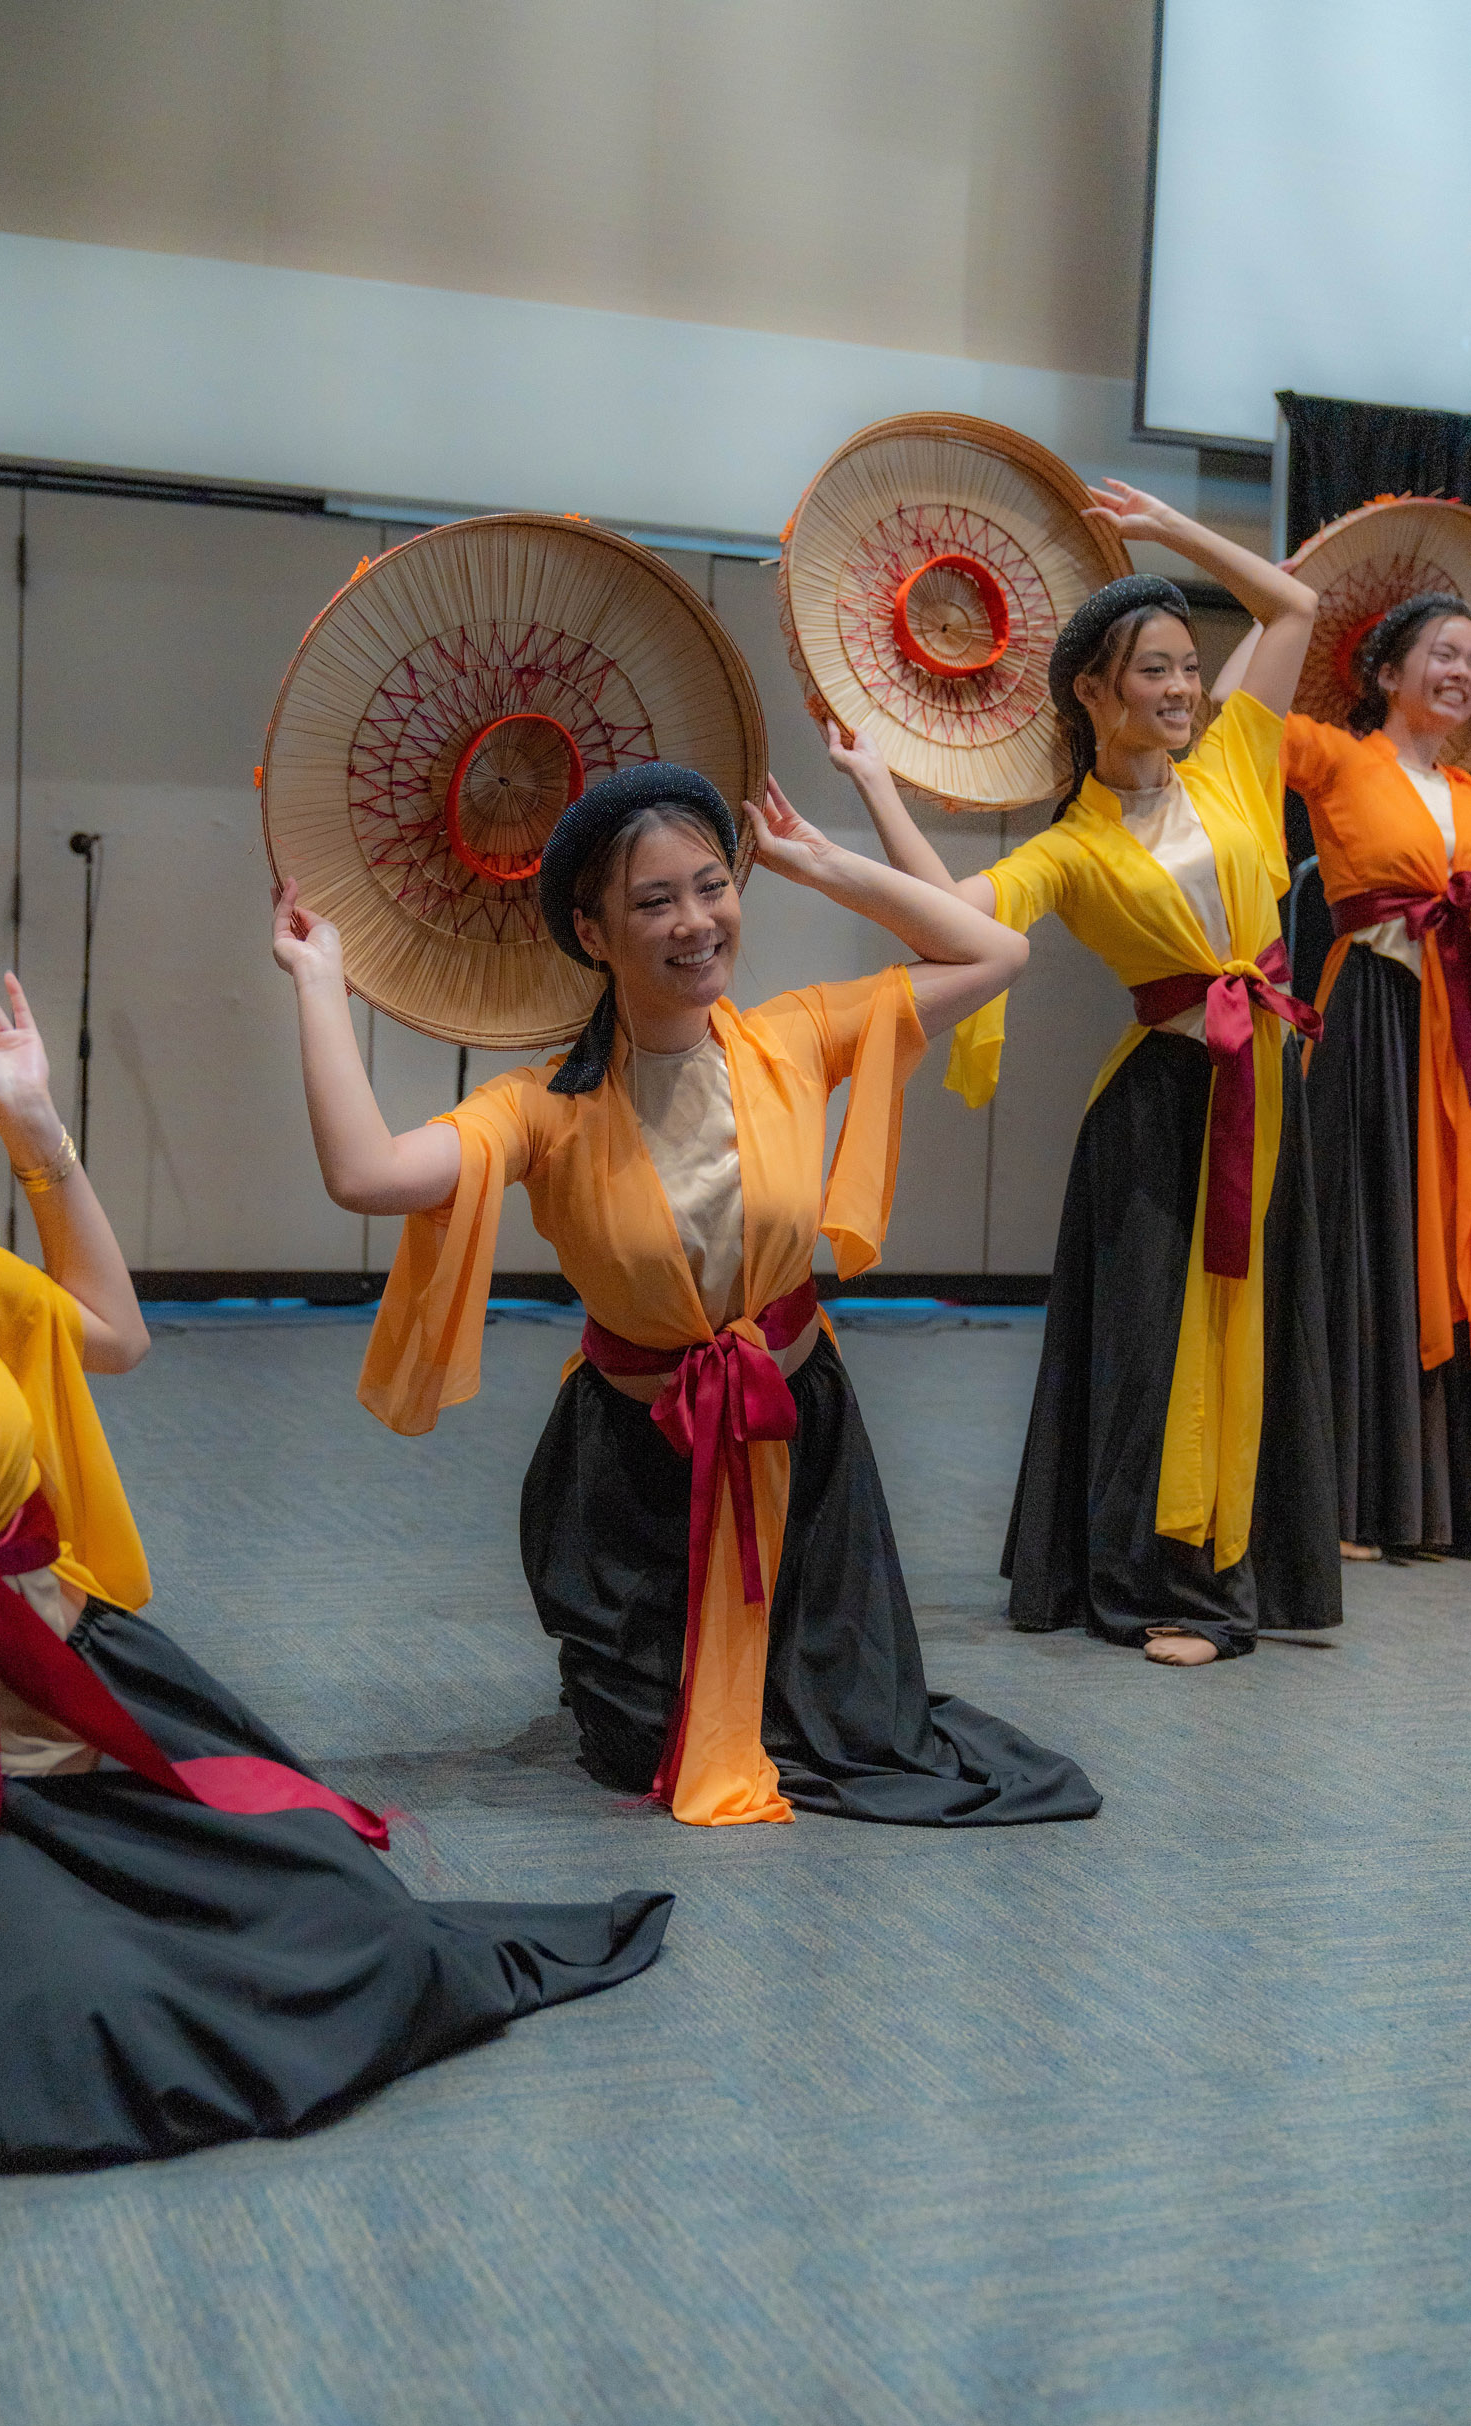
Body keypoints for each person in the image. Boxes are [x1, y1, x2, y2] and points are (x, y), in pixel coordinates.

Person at [0, 914, 671, 2175]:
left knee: (368, 1931)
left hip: (89, 1687)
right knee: (77, 2028)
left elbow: (111, 1331)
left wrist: (35, 1125)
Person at [277, 758, 1101, 1830]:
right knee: (635, 1751)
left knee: (856, 1733)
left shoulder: (796, 1037)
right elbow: (367, 1175)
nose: (694, 922)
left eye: (712, 887)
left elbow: (998, 949)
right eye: (654, 901)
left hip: (799, 1447)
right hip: (634, 1468)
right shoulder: (541, 1109)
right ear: (593, 933)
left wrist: (818, 862)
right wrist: (314, 982)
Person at [828, 484, 1342, 1665]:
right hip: (1160, 1113)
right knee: (1156, 1345)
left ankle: (1239, 1564)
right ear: (1090, 693)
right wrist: (872, 795)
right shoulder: (1069, 845)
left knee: (1254, 1331)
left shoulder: (1228, 762)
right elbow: (948, 919)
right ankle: (1159, 1585)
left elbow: (1293, 603)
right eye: (1149, 670)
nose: (1176, 688)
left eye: (1183, 667)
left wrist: (1166, 533)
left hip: (1263, 1096)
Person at [1213, 594, 1471, 1558]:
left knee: (1449, 1240)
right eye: (1443, 653)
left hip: (1456, 1033)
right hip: (1368, 1018)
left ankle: (1440, 1504)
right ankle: (1354, 1501)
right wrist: (1266, 610)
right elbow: (1232, 719)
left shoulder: (1467, 788)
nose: (1459, 673)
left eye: (1470, 661)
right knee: (1362, 1241)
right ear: (1387, 670)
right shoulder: (1333, 754)